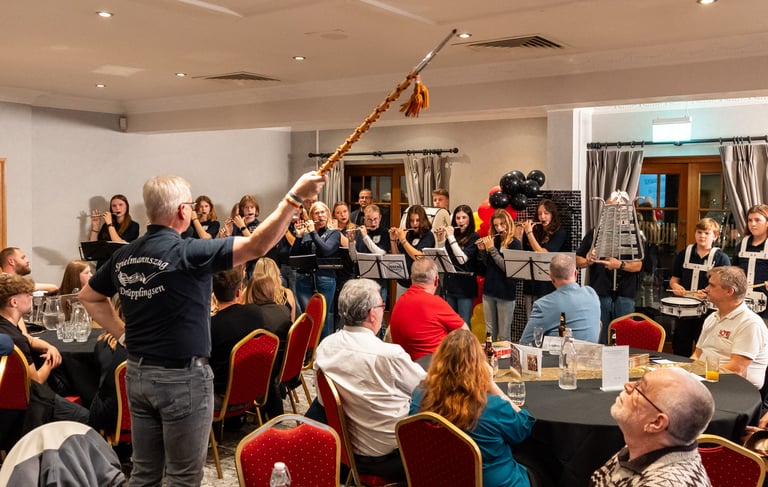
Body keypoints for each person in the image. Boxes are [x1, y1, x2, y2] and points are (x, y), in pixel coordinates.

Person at [78, 171, 324, 486]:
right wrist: (294, 198)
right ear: (183, 211)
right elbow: (258, 245)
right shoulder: (189, 252)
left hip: (137, 374)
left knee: (145, 474)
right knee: (182, 477)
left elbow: (89, 296)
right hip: (182, 379)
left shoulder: (124, 254)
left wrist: (124, 333)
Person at [314, 278, 426, 481]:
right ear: (372, 313)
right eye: (383, 306)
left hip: (345, 450)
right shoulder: (388, 354)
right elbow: (430, 389)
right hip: (391, 456)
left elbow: (323, 402)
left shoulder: (325, 347)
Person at [411, 328, 535, 487]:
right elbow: (523, 428)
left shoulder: (418, 398)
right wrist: (492, 385)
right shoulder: (491, 407)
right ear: (479, 366)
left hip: (437, 478)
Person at [590, 367, 714, 486]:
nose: (627, 385)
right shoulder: (639, 450)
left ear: (656, 423)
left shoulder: (665, 482)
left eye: (639, 388)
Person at [0, 273, 89, 424]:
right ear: (14, 302)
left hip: (9, 403)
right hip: (34, 402)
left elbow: (29, 339)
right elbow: (36, 380)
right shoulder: (16, 340)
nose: (31, 297)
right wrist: (50, 362)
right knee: (86, 416)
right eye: (27, 295)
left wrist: (50, 347)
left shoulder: (6, 327)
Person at [211, 267, 292, 420]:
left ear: (214, 295)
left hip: (223, 400)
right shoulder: (255, 314)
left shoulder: (211, 326)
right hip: (256, 391)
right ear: (238, 292)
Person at [692, 266, 768, 388]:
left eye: (712, 285)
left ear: (729, 291)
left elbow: (736, 369)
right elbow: (697, 355)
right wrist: (686, 372)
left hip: (736, 389)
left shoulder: (750, 323)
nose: (706, 289)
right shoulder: (712, 317)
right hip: (707, 380)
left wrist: (695, 375)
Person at [668, 217, 730, 356]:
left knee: (704, 350)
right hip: (684, 312)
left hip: (708, 313)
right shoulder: (684, 254)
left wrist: (709, 294)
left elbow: (724, 288)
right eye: (699, 232)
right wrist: (676, 287)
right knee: (680, 348)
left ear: (715, 236)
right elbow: (674, 280)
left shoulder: (722, 258)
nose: (702, 236)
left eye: (707, 233)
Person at [389, 258, 467, 361]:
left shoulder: (400, 302)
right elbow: (466, 334)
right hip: (434, 369)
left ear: (412, 278)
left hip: (405, 367)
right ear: (436, 280)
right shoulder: (436, 303)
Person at [577, 228, 643, 344]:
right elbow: (577, 260)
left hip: (625, 293)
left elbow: (638, 265)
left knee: (623, 339)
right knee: (601, 339)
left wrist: (619, 265)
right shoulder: (594, 233)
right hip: (601, 292)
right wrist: (588, 261)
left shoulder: (632, 234)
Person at [520, 253, 600, 344]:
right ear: (575, 273)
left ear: (551, 278)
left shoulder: (543, 305)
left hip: (560, 357)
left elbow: (525, 343)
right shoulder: (592, 293)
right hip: (592, 356)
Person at [291, 201, 340, 339]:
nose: (320, 215)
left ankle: (322, 351)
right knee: (308, 317)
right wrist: (299, 237)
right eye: (316, 213)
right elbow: (294, 256)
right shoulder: (306, 234)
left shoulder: (333, 233)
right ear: (312, 216)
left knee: (322, 318)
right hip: (304, 279)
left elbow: (326, 251)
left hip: (325, 279)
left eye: (322, 212)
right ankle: (308, 352)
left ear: (328, 214)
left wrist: (312, 232)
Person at [477, 209, 521, 341]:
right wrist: (482, 252)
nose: (499, 228)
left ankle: (504, 361)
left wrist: (491, 249)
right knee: (489, 332)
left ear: (508, 223)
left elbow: (507, 268)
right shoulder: (494, 241)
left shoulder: (515, 244)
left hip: (505, 293)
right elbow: (489, 266)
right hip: (489, 291)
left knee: (503, 335)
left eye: (502, 224)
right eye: (496, 225)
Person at [435, 204, 479, 325]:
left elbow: (462, 259)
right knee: (450, 322)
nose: (460, 221)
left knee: (464, 321)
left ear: (470, 219)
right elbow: (445, 258)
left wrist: (450, 237)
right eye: (457, 218)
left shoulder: (474, 237)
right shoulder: (454, 236)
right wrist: (441, 241)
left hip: (465, 286)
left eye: (464, 217)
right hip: (451, 284)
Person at [518, 198, 567, 298]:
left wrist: (529, 233)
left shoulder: (559, 233)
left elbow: (543, 253)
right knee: (530, 313)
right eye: (539, 214)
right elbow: (523, 252)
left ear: (552, 215)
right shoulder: (536, 230)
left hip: (548, 283)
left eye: (546, 213)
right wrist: (519, 235)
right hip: (531, 281)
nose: (542, 217)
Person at [732, 204, 768, 320]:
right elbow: (734, 271)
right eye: (750, 220)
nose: (753, 224)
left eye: (757, 220)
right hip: (743, 302)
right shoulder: (741, 245)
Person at [390, 204, 435, 294]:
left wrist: (403, 240)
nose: (414, 224)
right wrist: (393, 240)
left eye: (417, 220)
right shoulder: (408, 234)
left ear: (423, 220)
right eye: (411, 220)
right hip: (403, 281)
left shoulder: (428, 235)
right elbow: (398, 256)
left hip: (419, 283)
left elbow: (419, 257)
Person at [244, 257, 297, 321]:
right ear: (276, 272)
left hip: (256, 329)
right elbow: (292, 323)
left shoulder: (247, 292)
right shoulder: (288, 293)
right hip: (283, 330)